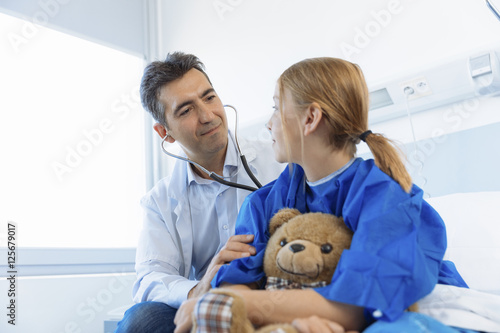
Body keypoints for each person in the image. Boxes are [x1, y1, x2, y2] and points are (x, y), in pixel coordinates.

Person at [173, 57, 472, 333]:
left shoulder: (387, 198)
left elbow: (355, 307)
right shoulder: (263, 204)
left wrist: (229, 305)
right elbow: (240, 284)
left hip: (412, 315)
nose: (269, 122)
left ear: (311, 118)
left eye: (277, 107)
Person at [114, 52, 284, 333]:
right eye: (186, 110)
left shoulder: (279, 161)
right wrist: (199, 289)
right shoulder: (159, 201)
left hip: (272, 293)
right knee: (140, 320)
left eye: (209, 97)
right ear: (164, 132)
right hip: (208, 300)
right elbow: (149, 277)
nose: (207, 116)